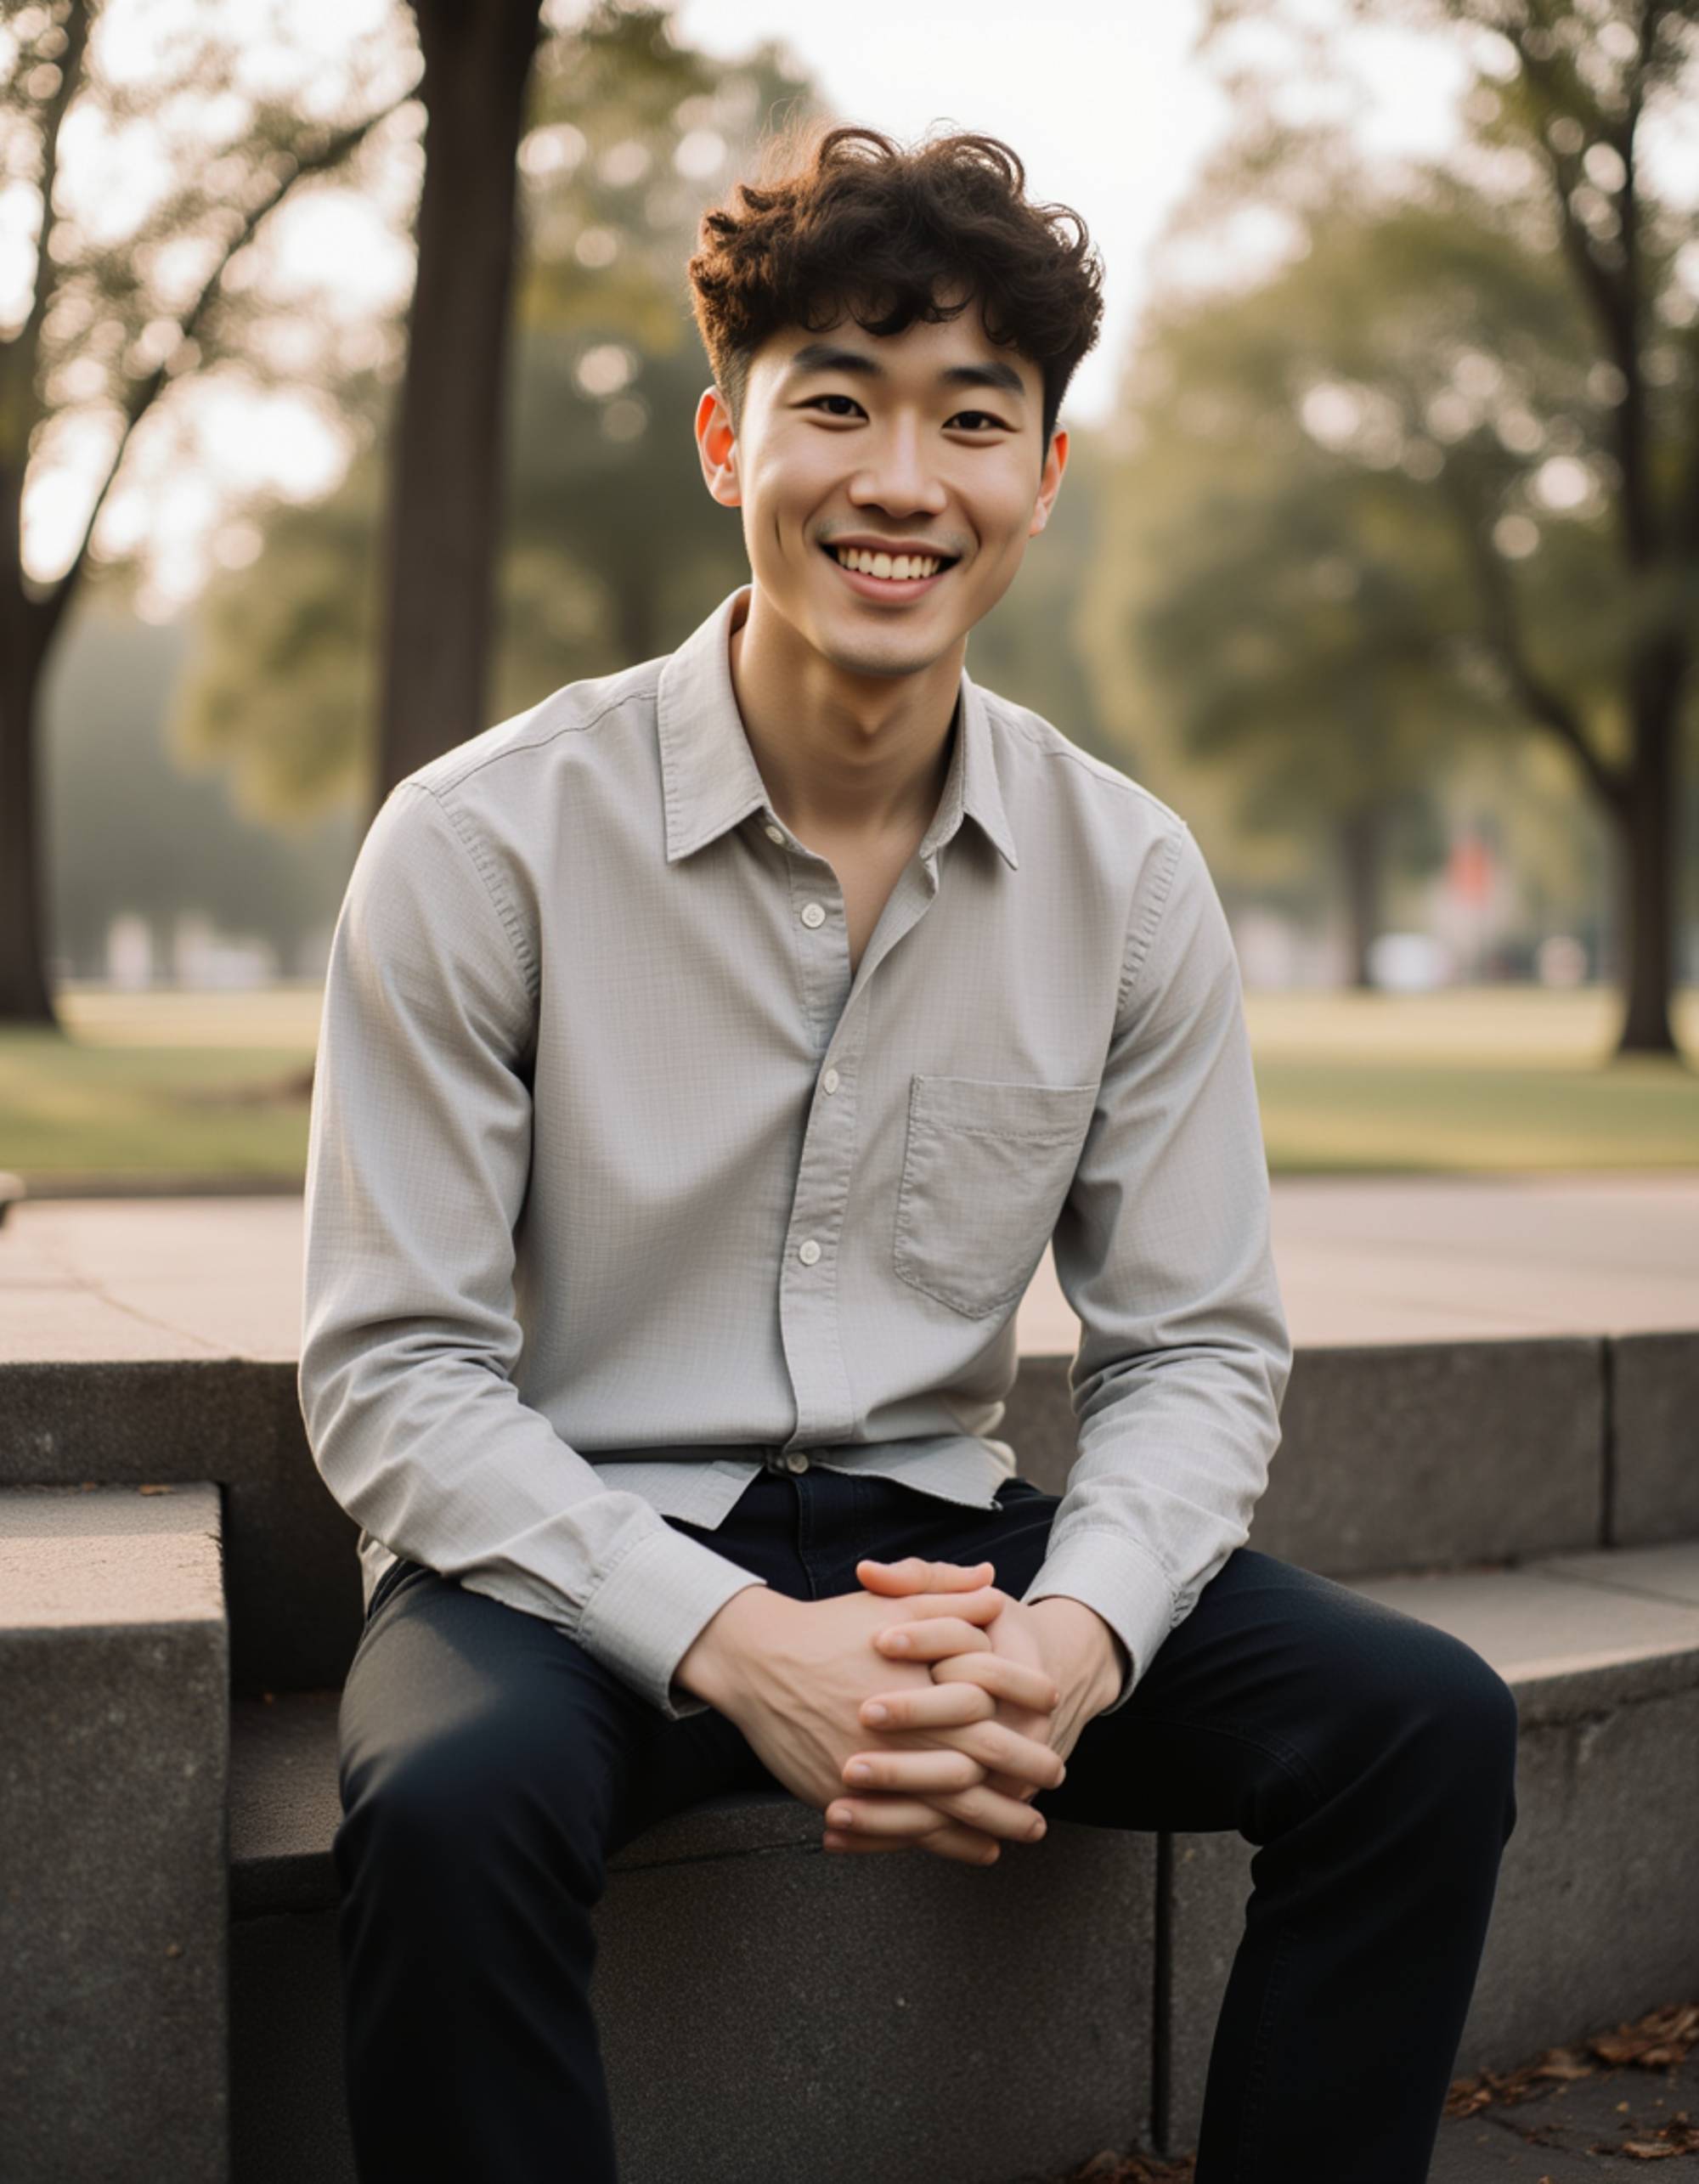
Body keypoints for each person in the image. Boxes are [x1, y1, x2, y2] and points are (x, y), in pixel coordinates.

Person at [301, 120, 1519, 2184]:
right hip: (565, 1549)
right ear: (724, 440)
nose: (898, 480)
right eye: (835, 404)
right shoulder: (480, 839)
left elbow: (1197, 1351)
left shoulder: (1126, 873)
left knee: (1423, 1723)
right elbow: (391, 1370)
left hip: (945, 1540)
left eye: (972, 419)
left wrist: (1068, 1640)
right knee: (444, 1804)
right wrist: (724, 1639)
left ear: (1040, 478)